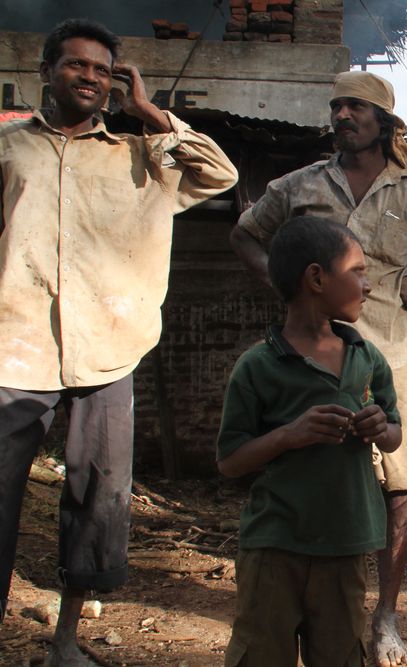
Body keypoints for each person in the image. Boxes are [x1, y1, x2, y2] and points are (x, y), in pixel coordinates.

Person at [229, 70, 407, 666]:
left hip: (389, 351)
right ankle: (304, 595)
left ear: (384, 121)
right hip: (309, 355)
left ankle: (384, 616)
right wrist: (283, 289)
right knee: (306, 465)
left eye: (356, 107)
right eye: (337, 107)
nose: (343, 116)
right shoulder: (299, 184)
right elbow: (246, 235)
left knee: (401, 487)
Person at [0, 18, 237, 666]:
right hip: (14, 348)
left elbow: (218, 174)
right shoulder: (9, 149)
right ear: (48, 69)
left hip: (110, 349)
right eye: (77, 66)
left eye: (103, 72)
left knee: (97, 503)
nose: (91, 79)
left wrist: (149, 112)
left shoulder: (141, 156)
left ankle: (67, 640)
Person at [217, 217, 401, 666]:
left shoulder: (366, 356)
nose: (368, 284)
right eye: (358, 271)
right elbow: (230, 461)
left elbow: (395, 434)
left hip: (347, 543)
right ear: (317, 278)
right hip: (275, 546)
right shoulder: (258, 366)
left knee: (340, 655)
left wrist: (381, 427)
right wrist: (288, 435)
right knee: (262, 654)